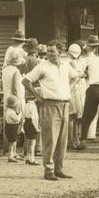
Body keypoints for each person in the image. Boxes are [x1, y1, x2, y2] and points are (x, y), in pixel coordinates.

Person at [24, 40, 78, 181]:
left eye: (52, 51)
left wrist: (69, 89)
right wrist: (37, 97)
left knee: (62, 139)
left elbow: (75, 77)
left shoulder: (66, 65)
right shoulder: (43, 66)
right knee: (50, 138)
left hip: (65, 104)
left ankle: (59, 169)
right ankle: (49, 170)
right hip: (50, 105)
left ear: (60, 52)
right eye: (48, 51)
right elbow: (26, 81)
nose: (49, 53)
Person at [1, 51, 25, 162]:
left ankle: (13, 152)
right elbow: (16, 88)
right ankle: (12, 153)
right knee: (16, 128)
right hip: (15, 101)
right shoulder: (16, 71)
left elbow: (1, 85)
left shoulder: (4, 70)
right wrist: (17, 104)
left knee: (9, 127)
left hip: (7, 99)